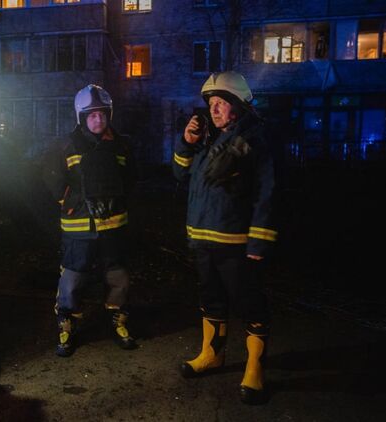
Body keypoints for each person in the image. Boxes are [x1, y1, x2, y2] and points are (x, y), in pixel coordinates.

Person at [172, 71, 277, 405]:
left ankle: (255, 369)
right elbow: (179, 172)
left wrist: (259, 241)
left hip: (235, 244)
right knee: (211, 299)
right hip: (203, 241)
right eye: (211, 103)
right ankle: (212, 355)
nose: (213, 109)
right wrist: (187, 142)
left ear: (239, 105)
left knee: (250, 304)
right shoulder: (210, 140)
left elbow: (268, 193)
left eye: (221, 103)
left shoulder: (254, 141)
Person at [43, 84, 137, 357]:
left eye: (102, 114)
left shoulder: (121, 145)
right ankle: (67, 323)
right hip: (78, 229)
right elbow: (51, 178)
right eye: (92, 115)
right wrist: (68, 202)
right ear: (82, 117)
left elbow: (131, 178)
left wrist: (120, 201)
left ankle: (118, 319)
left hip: (114, 227)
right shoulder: (66, 145)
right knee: (72, 279)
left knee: (118, 276)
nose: (98, 120)